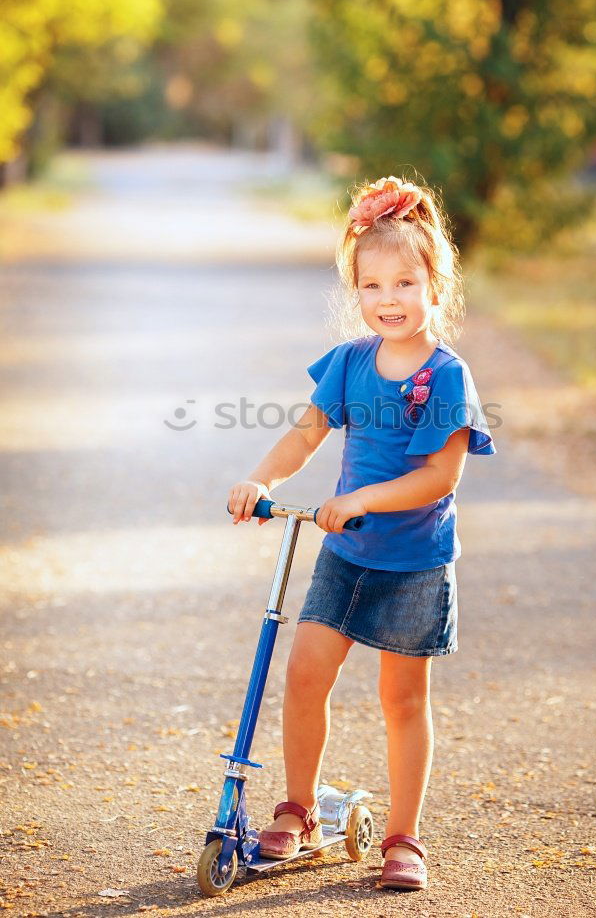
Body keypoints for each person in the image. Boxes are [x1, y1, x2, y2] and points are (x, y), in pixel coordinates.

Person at [227, 174, 496, 891]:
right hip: (346, 556)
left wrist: (365, 497)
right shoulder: (349, 364)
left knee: (402, 701)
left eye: (405, 283)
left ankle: (405, 837)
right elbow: (304, 436)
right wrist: (264, 481)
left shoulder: (446, 375)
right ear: (357, 293)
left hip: (414, 563)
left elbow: (440, 477)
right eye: (372, 286)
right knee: (304, 676)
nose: (388, 300)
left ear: (435, 286)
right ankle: (299, 808)